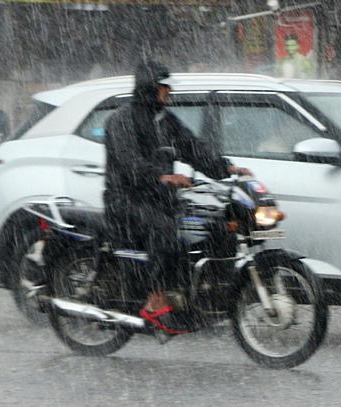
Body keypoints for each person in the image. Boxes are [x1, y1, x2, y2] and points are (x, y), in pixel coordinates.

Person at [104, 61, 245, 333]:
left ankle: (194, 297)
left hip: (160, 199)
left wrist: (225, 168)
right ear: (149, 87)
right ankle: (155, 299)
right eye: (163, 86)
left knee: (211, 226)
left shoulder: (165, 121)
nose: (168, 91)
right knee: (165, 229)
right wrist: (162, 177)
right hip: (125, 199)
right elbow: (129, 163)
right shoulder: (122, 120)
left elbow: (194, 148)